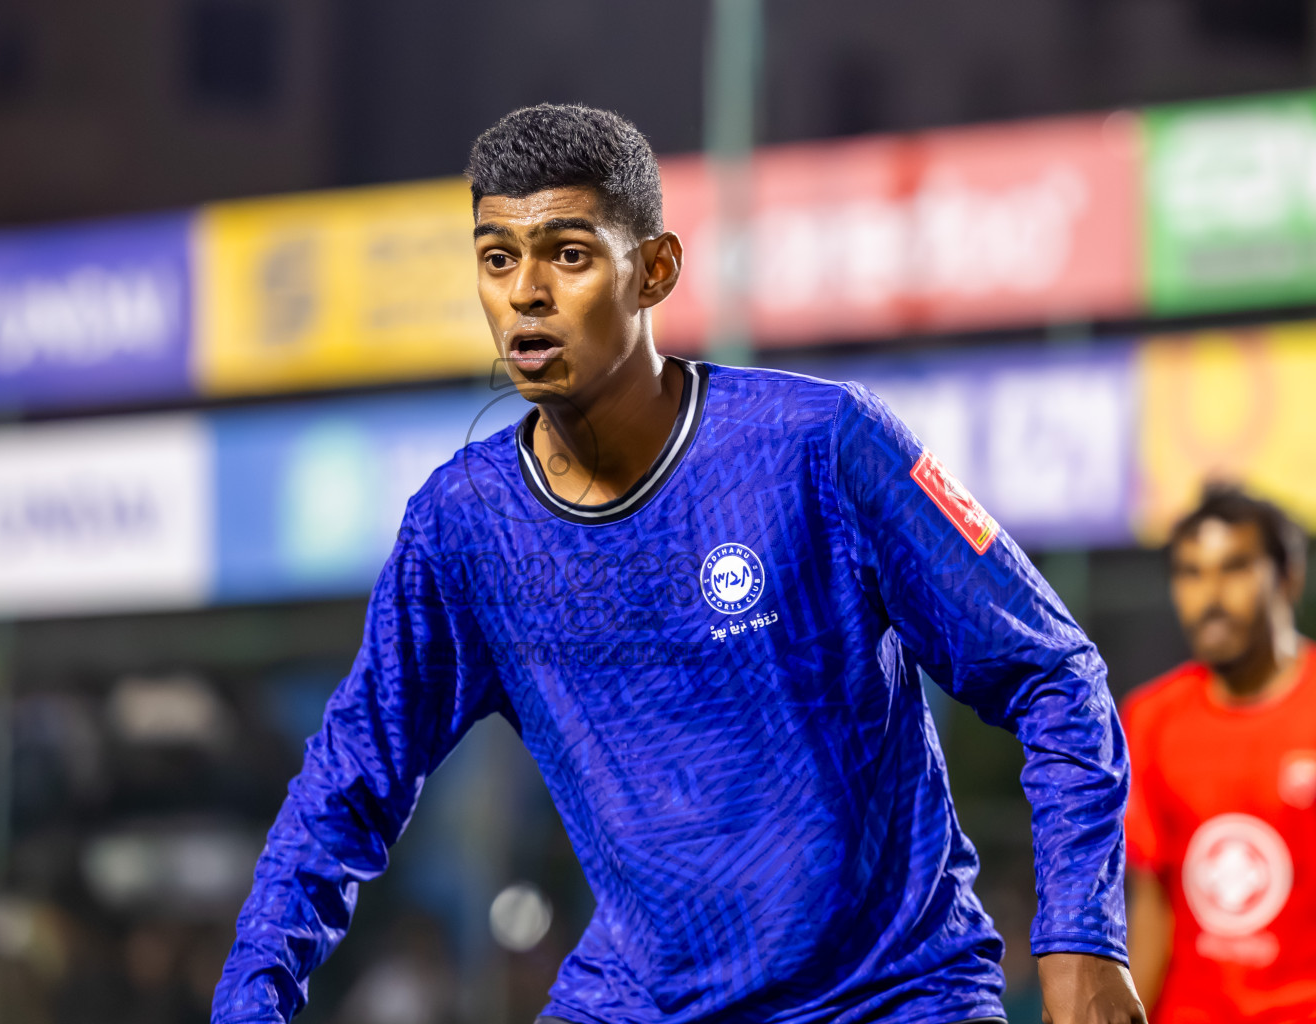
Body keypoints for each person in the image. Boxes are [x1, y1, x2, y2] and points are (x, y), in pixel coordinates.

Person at [213, 103, 1144, 1024]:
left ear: (654, 270)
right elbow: (343, 788)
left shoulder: (821, 444)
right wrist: (249, 1001)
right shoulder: (463, 526)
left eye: (568, 255)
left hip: (890, 997)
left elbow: (1054, 675)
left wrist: (1082, 936)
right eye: (498, 259)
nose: (526, 291)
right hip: (636, 1003)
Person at [1124, 485, 1315, 1022]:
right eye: (1190, 573)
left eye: (1234, 568)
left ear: (1288, 577)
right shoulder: (1150, 718)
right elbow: (1152, 907)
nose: (1210, 596)